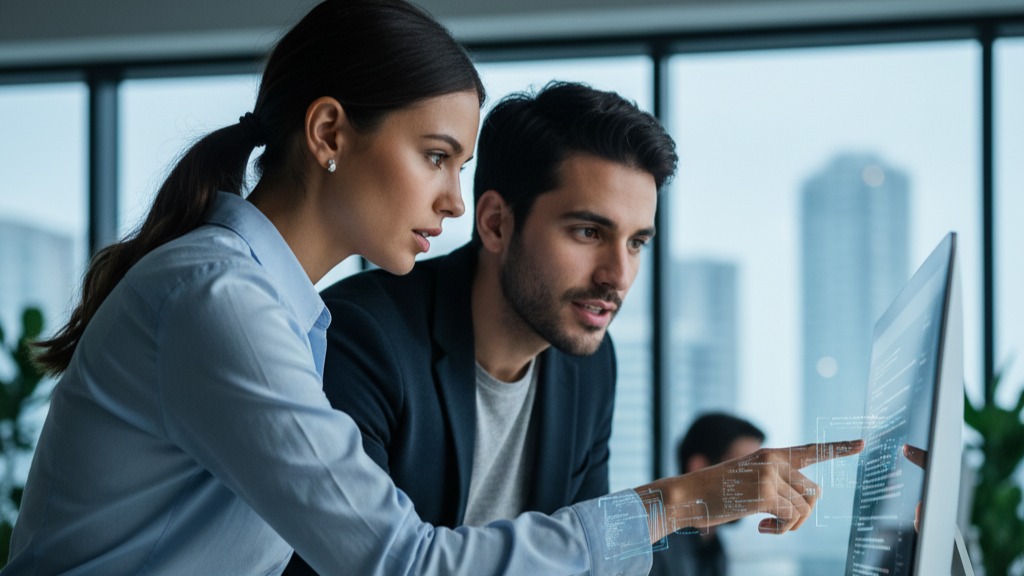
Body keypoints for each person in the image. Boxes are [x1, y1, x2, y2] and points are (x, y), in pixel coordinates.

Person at [4, 0, 863, 573]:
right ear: (329, 132)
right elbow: (400, 561)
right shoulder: (223, 302)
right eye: (436, 157)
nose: (453, 200)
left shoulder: (272, 309)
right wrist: (678, 503)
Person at [285, 80, 676, 575]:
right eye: (588, 232)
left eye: (637, 243)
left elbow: (588, 563)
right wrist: (678, 503)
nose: (617, 275)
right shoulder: (361, 337)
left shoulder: (591, 364)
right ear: (495, 223)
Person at [649, 412, 767, 576]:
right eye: (744, 471)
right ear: (700, 468)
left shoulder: (715, 549)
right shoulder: (654, 548)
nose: (756, 487)